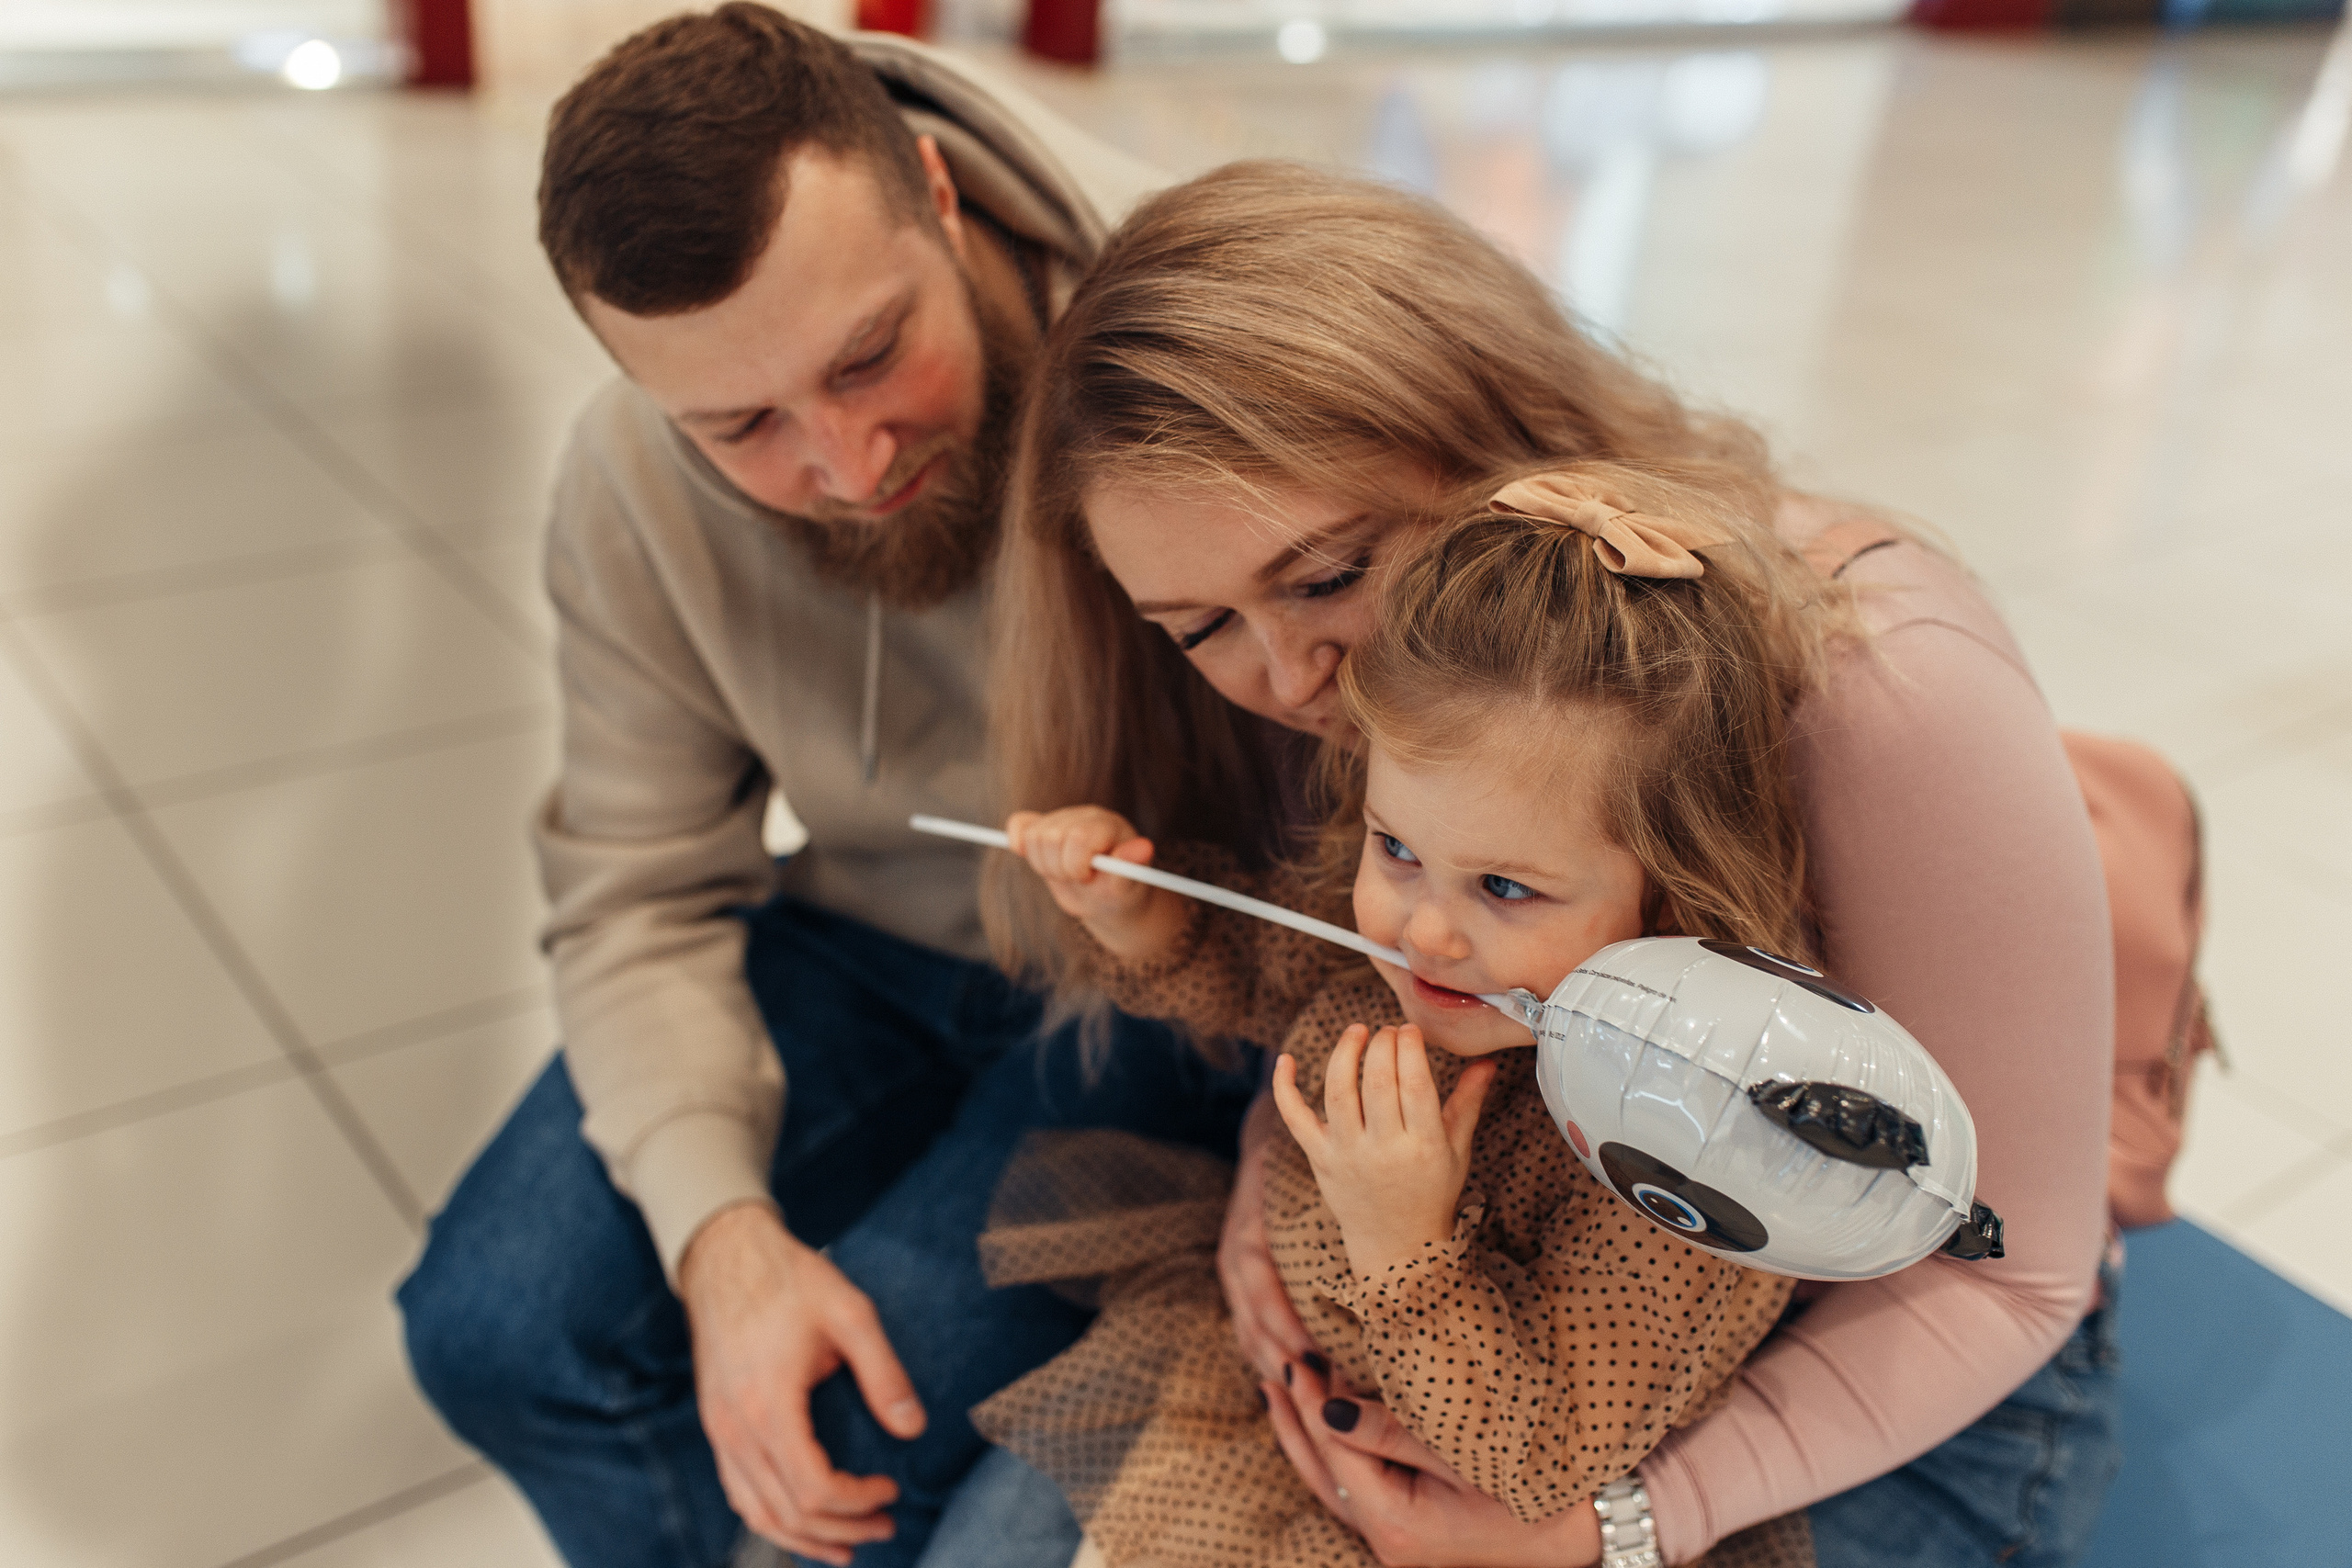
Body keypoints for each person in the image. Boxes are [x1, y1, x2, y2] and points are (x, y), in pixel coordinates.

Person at [987, 162, 2120, 1567]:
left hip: (1877, 1354)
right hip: (1476, 1284)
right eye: (1198, 627)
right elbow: (1328, 969)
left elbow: (2011, 1277)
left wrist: (1619, 1525)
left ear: (1495, 443)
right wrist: (1272, 1175)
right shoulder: (1368, 680)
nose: (1286, 678)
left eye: (1330, 573)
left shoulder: (1884, 691)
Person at [390, 10, 1251, 1568]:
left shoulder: (1197, 326)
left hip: (1157, 975)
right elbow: (639, 889)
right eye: (744, 426)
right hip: (870, 931)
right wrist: (721, 1243)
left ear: (937, 188)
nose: (851, 464)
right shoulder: (629, 479)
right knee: (496, 1331)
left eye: (869, 355)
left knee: (878, 1403)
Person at [974, 461, 1851, 1568]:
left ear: (1671, 898)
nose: (1420, 933)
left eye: (1505, 889)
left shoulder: (1681, 1170)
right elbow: (1257, 970)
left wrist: (1408, 1246)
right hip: (1268, 1407)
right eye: (1397, 849)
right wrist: (1137, 911)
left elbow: (1536, 1459)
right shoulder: (1407, 955)